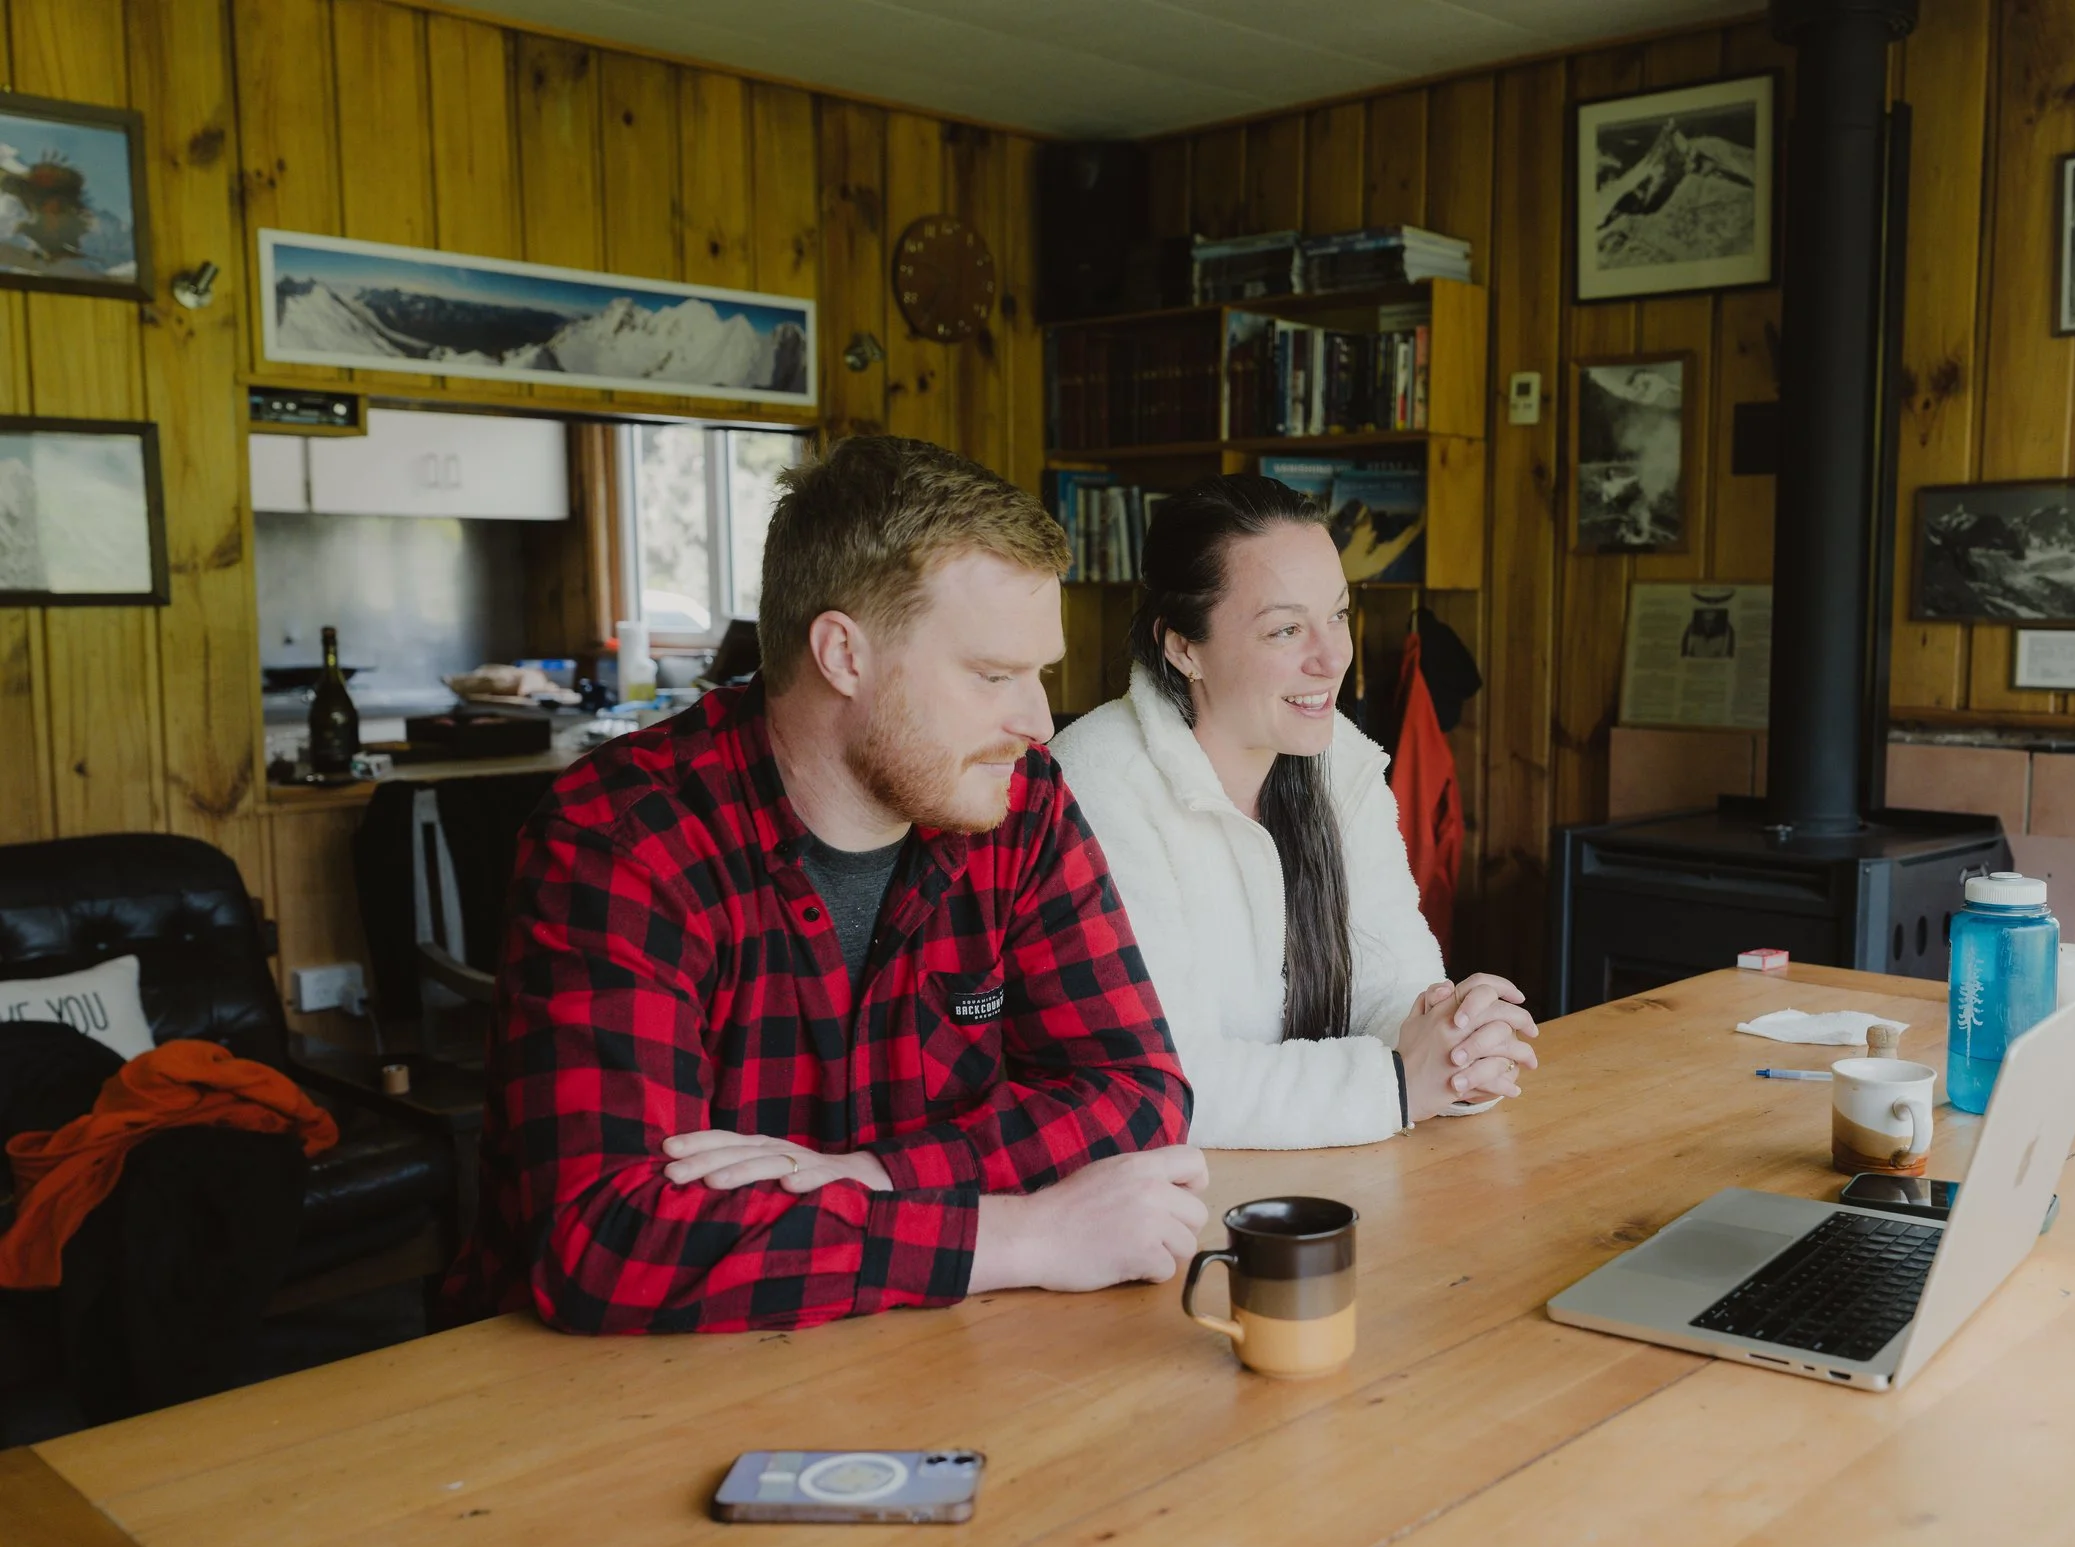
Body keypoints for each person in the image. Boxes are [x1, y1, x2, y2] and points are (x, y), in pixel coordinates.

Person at [439, 436, 1206, 1335]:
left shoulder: (1020, 805)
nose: (1038, 721)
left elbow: (1138, 1094)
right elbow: (612, 1237)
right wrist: (1018, 1234)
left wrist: (867, 1177)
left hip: (911, 1355)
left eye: (1036, 673)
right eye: (994, 675)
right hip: (594, 1399)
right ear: (843, 654)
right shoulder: (624, 837)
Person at [1051, 474, 1538, 1149]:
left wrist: (1458, 1045)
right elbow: (1165, 1078)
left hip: (1318, 1182)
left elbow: (1391, 984)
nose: (1332, 655)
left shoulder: (1342, 762)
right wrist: (1398, 1085)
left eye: (1338, 613)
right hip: (1155, 1211)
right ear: (1182, 646)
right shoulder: (1094, 782)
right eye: (1285, 629)